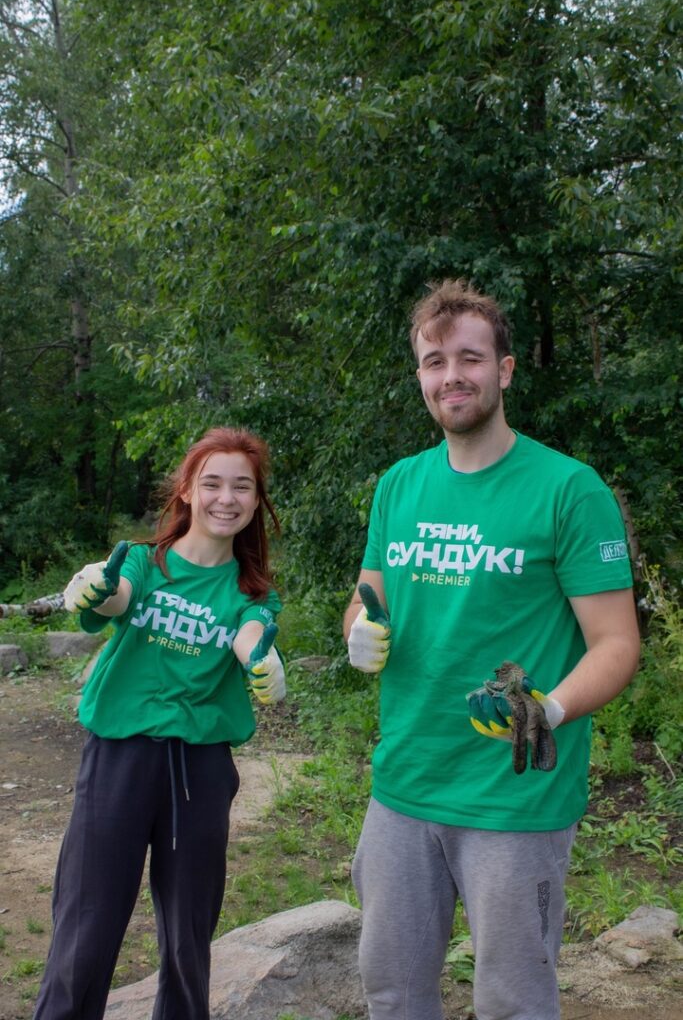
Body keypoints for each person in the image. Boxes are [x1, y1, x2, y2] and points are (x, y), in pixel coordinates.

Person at [343, 279, 640, 1020]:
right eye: (433, 361)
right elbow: (367, 595)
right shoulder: (398, 487)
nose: (452, 376)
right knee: (391, 992)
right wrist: (356, 629)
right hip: (404, 783)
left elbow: (615, 645)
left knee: (512, 1001)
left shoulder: (568, 491)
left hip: (515, 795)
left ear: (503, 370)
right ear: (419, 375)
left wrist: (550, 708)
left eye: (469, 358)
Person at [33, 426, 286, 1020]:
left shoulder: (252, 590)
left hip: (199, 769)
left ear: (256, 502)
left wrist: (261, 658)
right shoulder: (146, 565)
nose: (227, 498)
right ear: (188, 492)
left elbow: (251, 631)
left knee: (187, 934)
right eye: (213, 483)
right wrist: (95, 589)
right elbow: (116, 594)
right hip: (119, 759)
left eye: (242, 487)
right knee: (86, 926)